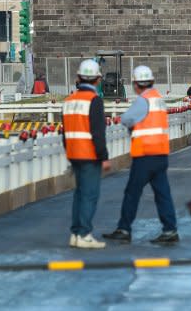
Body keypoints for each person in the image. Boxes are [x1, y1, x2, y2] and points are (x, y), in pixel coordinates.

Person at [103, 65, 179, 245]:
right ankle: (170, 230)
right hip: (160, 153)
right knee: (163, 194)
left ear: (136, 84)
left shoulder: (143, 100)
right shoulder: (158, 99)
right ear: (151, 81)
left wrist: (133, 127)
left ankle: (124, 228)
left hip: (145, 154)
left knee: (132, 192)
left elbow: (126, 119)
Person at [62, 59, 110, 249]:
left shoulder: (69, 101)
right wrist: (104, 157)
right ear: (98, 80)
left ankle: (75, 233)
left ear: (78, 78)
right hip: (89, 154)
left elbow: (64, 133)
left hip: (74, 153)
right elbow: (98, 132)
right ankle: (84, 234)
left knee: (79, 194)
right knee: (89, 195)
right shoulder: (94, 101)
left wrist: (69, 153)